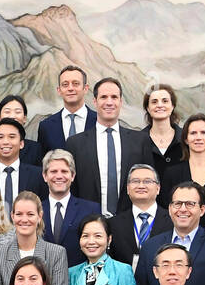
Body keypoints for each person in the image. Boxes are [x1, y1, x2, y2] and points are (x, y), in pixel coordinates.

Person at [68, 77, 145, 218]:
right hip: (88, 222)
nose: (109, 102)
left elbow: (148, 184)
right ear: (95, 102)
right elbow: (72, 188)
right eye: (103, 97)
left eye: (114, 97)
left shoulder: (139, 141)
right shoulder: (75, 144)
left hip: (129, 223)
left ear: (120, 102)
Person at [0, 191, 69, 285]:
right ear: (12, 216)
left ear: (39, 216)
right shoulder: (0, 253)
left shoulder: (57, 253)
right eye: (19, 214)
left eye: (30, 214)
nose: (24, 219)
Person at [66, 215, 135, 285]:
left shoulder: (123, 270)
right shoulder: (72, 273)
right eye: (85, 236)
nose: (91, 241)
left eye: (98, 236)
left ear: (109, 239)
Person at [0, 119, 47, 214]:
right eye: (0, 137)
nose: (6, 142)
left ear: (21, 144)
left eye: (12, 137)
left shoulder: (37, 175)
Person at [107, 164, 171, 268]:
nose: (141, 185)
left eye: (147, 181)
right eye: (135, 181)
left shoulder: (172, 220)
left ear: (158, 188)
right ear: (128, 189)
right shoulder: (113, 224)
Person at [161, 113, 205, 207]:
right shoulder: (171, 174)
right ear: (186, 139)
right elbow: (166, 208)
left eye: (203, 132)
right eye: (193, 133)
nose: (198, 137)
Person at [40, 150, 100, 261]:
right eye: (53, 171)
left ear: (72, 176)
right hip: (43, 276)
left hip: (79, 275)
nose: (59, 176)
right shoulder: (35, 210)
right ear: (45, 176)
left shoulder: (90, 210)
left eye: (64, 171)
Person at [36, 64, 97, 156]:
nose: (70, 88)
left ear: (85, 89)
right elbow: (43, 163)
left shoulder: (100, 121)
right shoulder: (46, 126)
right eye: (65, 85)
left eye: (76, 83)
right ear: (59, 90)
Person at [0, 94, 44, 165]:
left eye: (17, 112)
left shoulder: (36, 149)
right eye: (7, 112)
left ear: (24, 118)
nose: (12, 116)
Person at [141, 83, 183, 172]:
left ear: (172, 106)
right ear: (148, 108)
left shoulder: (186, 138)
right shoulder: (138, 141)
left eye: (165, 101)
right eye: (154, 102)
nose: (160, 105)